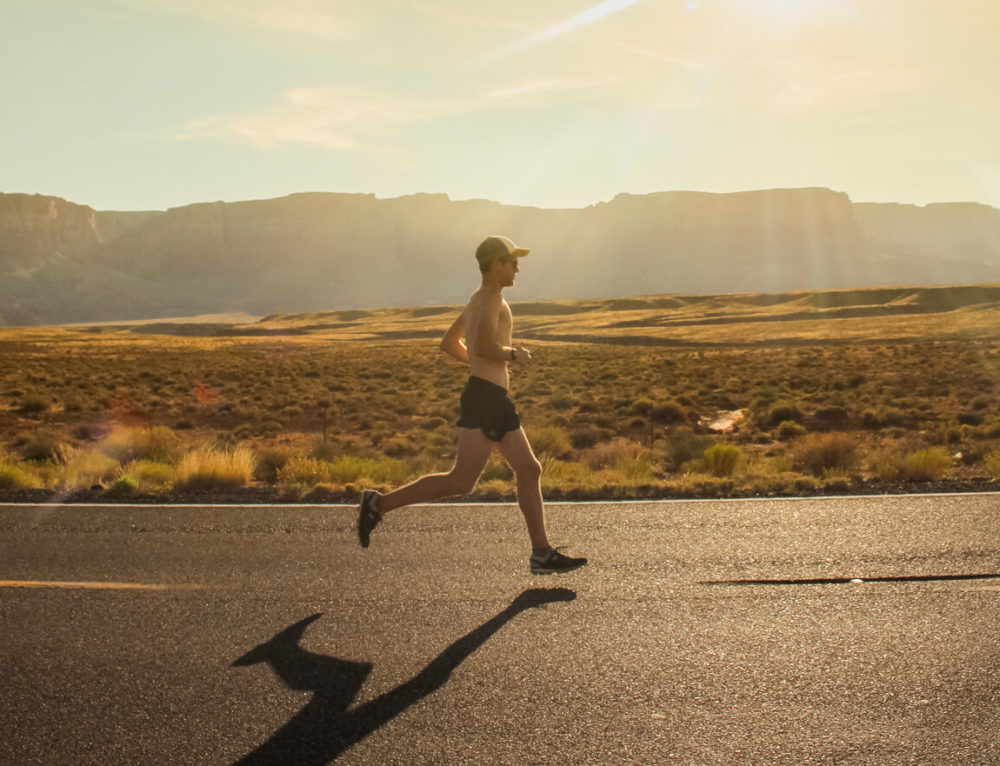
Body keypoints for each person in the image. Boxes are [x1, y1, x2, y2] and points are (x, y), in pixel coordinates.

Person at [357, 235, 587, 575]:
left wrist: (479, 367)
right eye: (512, 262)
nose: (517, 268)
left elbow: (451, 343)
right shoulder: (489, 299)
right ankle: (378, 504)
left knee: (529, 469)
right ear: (496, 264)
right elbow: (480, 344)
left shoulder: (478, 299)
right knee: (461, 481)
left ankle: (541, 553)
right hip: (484, 399)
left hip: (492, 396)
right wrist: (513, 354)